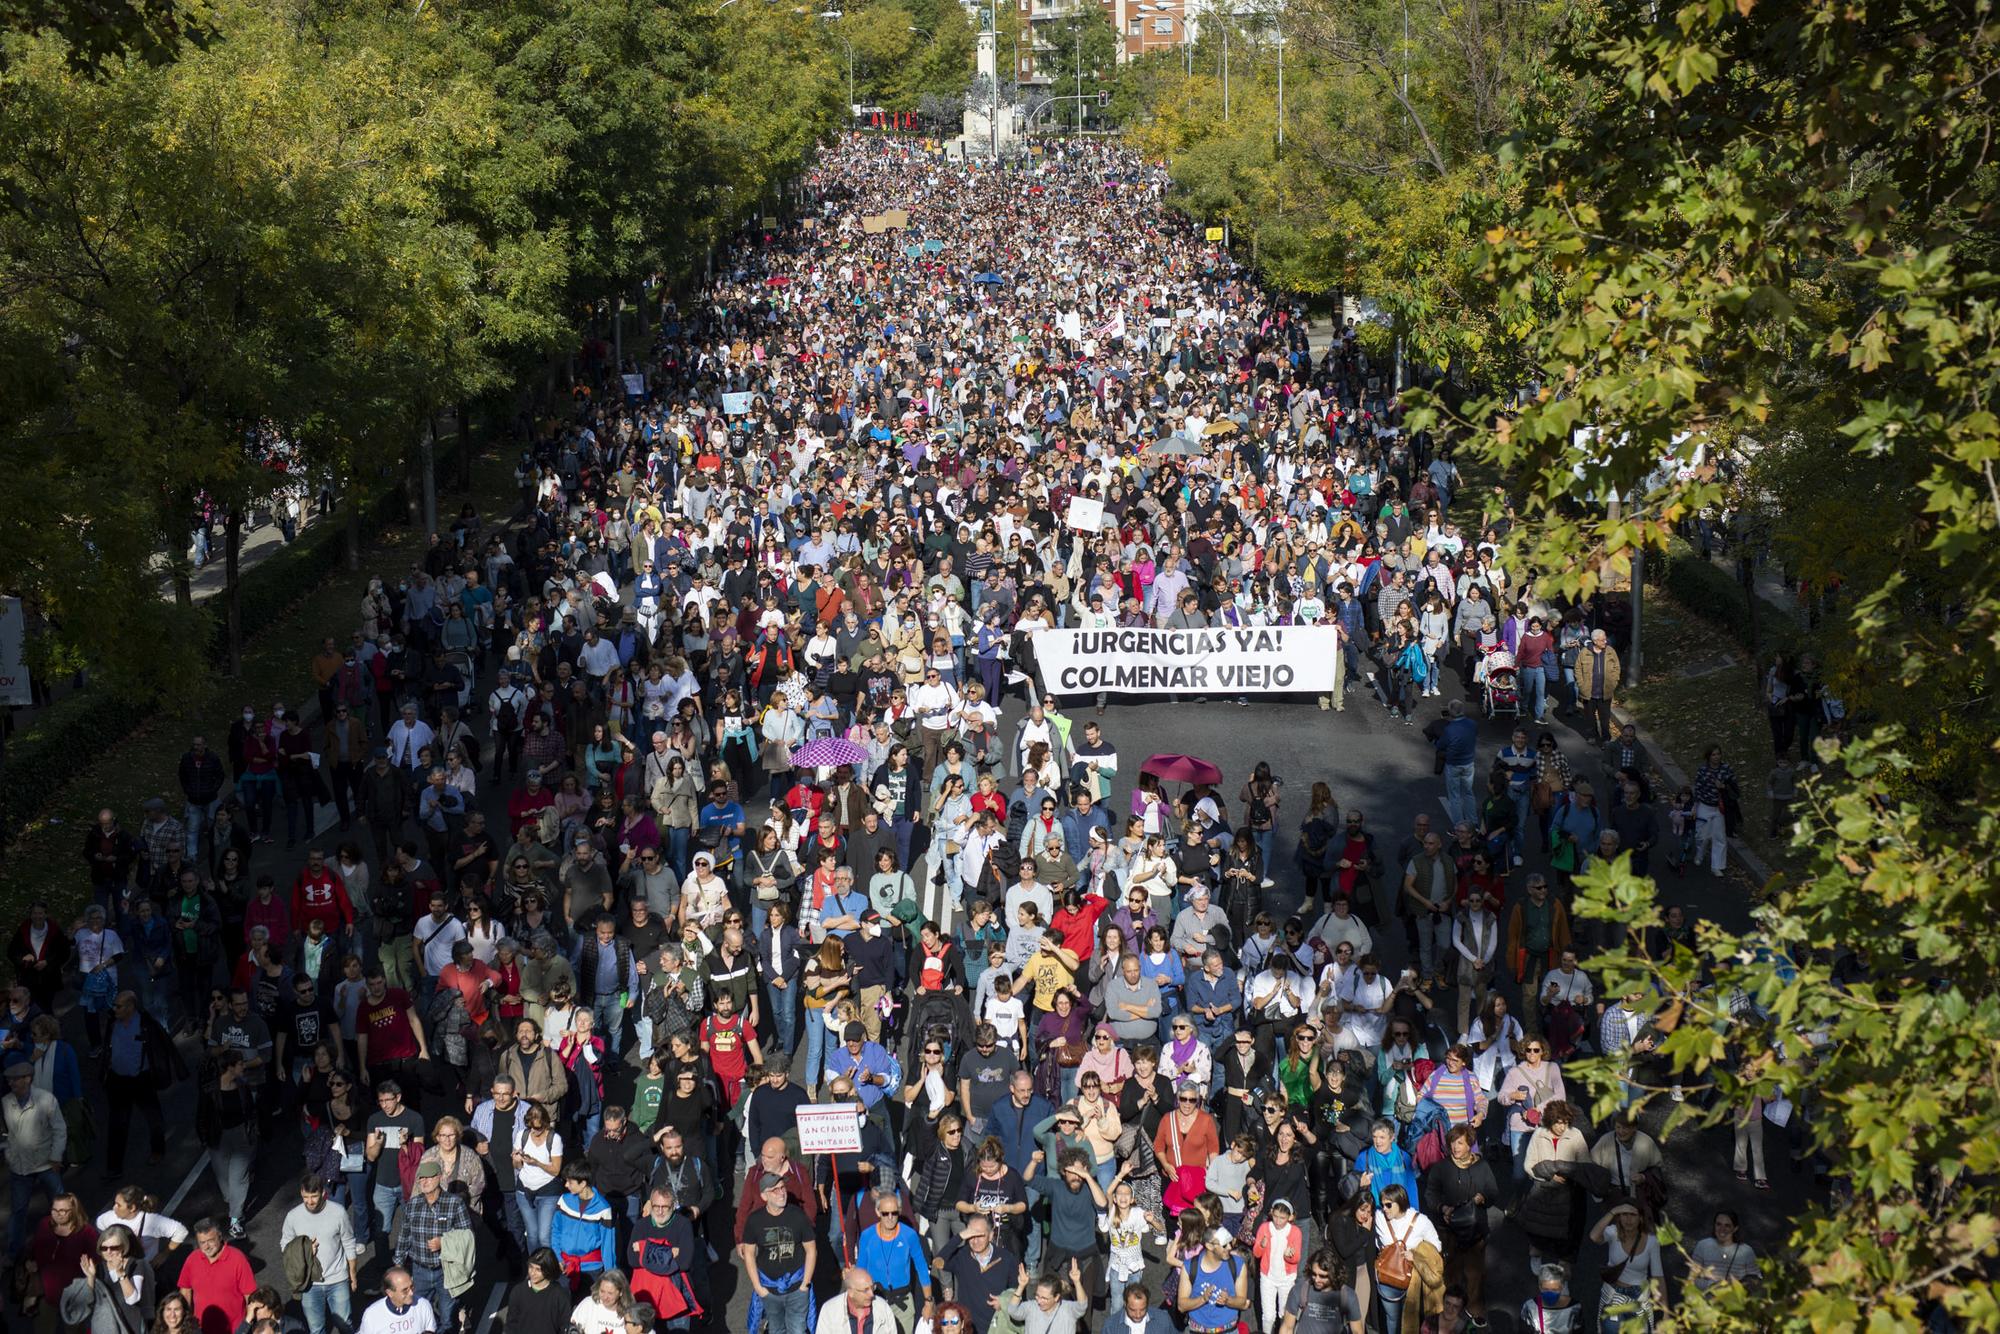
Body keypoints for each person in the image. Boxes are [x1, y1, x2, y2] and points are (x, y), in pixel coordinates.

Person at [5, 1051, 67, 1263]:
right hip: (20, 1167)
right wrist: (9, 1154)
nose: (11, 1082)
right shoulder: (5, 1102)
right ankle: (14, 1253)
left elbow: (59, 1129)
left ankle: (66, 1245)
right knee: (18, 1212)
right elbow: (7, 1133)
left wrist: (56, 1158)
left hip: (46, 1164)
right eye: (9, 1079)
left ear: (27, 1078)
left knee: (60, 1208)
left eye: (15, 1078)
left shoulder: (46, 1099)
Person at [60, 1222, 156, 1334]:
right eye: (104, 1248)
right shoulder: (97, 1268)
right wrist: (90, 1277)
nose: (109, 1252)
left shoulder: (136, 1264)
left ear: (123, 1247)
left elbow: (132, 1299)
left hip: (130, 1327)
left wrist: (121, 1274)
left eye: (114, 1247)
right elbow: (87, 1303)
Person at [1370, 1185, 1441, 1334]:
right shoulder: (1379, 1217)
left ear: (1400, 1202)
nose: (1384, 1209)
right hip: (1387, 1277)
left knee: (1410, 1318)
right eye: (1382, 1205)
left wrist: (1416, 1256)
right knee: (1392, 1318)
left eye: (1388, 1205)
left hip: (1412, 1278)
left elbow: (1436, 1247)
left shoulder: (1421, 1221)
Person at [1590, 1201, 1666, 1331]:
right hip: (1613, 1294)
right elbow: (1594, 1236)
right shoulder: (1613, 1232)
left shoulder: (1652, 1241)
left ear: (1640, 1218)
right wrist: (1613, 1211)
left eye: (1633, 1215)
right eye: (1624, 1214)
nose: (1628, 1219)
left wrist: (1666, 1312)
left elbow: (1658, 1276)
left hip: (1639, 1296)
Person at [174, 1220, 255, 1334]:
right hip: (201, 1329)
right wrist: (185, 1323)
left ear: (220, 1237)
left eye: (210, 1241)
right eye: (202, 1242)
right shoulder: (192, 1259)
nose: (206, 1246)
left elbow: (249, 1295)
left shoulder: (238, 1259)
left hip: (234, 1330)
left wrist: (248, 1324)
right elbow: (185, 1292)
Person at [1687, 1210, 1759, 1296]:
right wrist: (1714, 1285)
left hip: (1734, 1302)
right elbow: (1692, 1279)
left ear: (1735, 1228)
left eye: (1727, 1226)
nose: (1722, 1229)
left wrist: (1736, 1286)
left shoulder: (1746, 1251)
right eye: (1718, 1224)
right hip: (1707, 1303)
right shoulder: (1703, 1246)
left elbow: (1756, 1279)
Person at [505, 1250, 575, 1334]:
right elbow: (511, 1324)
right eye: (531, 1267)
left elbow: (565, 1325)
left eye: (538, 1269)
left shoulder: (560, 1295)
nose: (532, 1273)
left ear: (548, 1269)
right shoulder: (518, 1291)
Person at [816, 1267, 897, 1334]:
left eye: (872, 1287)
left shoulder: (883, 1307)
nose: (871, 1294)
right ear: (850, 1292)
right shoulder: (829, 1310)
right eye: (865, 1290)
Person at [356, 1267, 436, 1334]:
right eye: (405, 1290)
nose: (411, 1293)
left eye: (411, 1287)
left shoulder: (423, 1305)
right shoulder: (372, 1315)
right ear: (389, 1293)